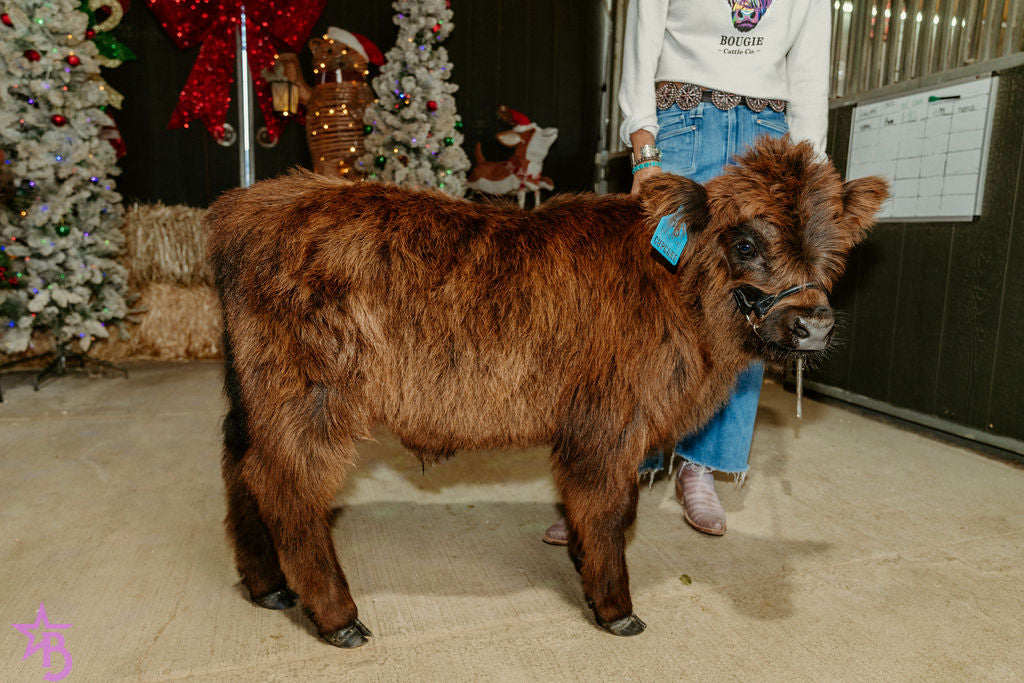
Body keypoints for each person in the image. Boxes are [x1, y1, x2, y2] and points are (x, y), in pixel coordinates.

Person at [543, 0, 830, 544]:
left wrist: (807, 176)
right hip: (681, 125)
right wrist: (645, 149)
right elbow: (642, 43)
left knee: (753, 304)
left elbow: (811, 75)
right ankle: (618, 470)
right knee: (650, 302)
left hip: (768, 137)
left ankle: (702, 466)